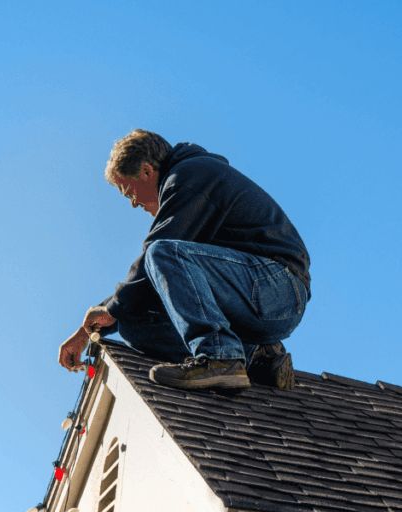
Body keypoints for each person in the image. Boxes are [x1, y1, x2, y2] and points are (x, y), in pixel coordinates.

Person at [58, 130, 311, 392]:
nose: (133, 204)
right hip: (254, 295)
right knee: (132, 323)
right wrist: (96, 324)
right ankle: (256, 357)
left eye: (128, 192)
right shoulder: (187, 185)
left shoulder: (190, 176)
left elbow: (154, 261)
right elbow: (160, 281)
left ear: (146, 171)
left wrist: (110, 308)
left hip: (279, 286)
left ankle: (220, 357)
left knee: (161, 253)